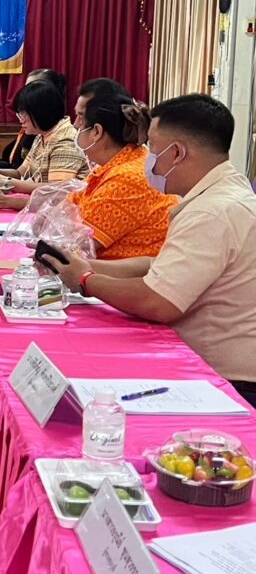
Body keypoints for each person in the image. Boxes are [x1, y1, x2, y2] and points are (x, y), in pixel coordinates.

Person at [44, 94, 256, 404]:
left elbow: (158, 301)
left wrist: (86, 281)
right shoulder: (225, 191)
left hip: (225, 381)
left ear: (177, 152)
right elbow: (160, 265)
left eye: (153, 149)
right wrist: (87, 266)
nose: (148, 159)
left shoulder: (212, 212)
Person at [65, 78, 177, 259]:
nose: (75, 124)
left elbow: (76, 243)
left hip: (115, 275)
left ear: (97, 131)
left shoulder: (127, 178)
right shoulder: (120, 163)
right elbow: (69, 204)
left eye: (80, 117)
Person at [0, 79, 90, 206]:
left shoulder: (66, 141)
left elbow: (55, 193)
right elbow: (20, 173)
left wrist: (7, 194)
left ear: (40, 112)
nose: (21, 120)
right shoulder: (42, 134)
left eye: (23, 114)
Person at [0, 68, 64, 169]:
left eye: (32, 88)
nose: (25, 92)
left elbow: (23, 173)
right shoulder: (34, 130)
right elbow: (20, 170)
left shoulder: (53, 136)